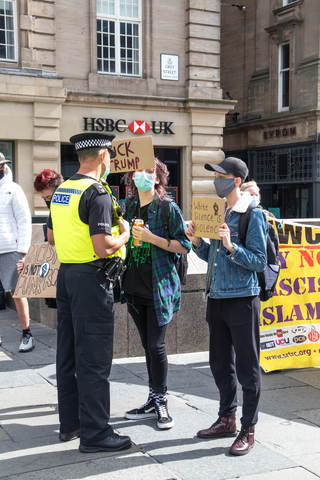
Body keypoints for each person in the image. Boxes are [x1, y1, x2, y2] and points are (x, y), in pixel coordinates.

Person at [48, 132, 131, 453]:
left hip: (67, 275)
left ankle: (70, 424)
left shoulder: (62, 190)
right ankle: (96, 433)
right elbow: (103, 245)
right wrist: (123, 235)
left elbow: (53, 239)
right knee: (94, 356)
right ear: (102, 156)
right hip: (92, 279)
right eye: (109, 154)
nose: (110, 159)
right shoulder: (97, 193)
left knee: (67, 352)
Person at [186, 157, 267, 456]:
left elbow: (258, 260)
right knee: (220, 363)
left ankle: (249, 428)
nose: (215, 179)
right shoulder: (219, 211)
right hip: (217, 296)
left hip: (242, 299)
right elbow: (214, 256)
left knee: (247, 366)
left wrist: (232, 246)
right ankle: (226, 418)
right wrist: (197, 243)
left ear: (235, 180)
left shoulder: (252, 214)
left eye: (220, 175)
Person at [121, 159, 191, 429]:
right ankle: (152, 399)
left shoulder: (167, 208)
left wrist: (152, 238)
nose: (144, 176)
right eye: (139, 170)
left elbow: (184, 246)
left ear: (159, 177)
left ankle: (161, 400)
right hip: (133, 287)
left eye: (150, 172)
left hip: (159, 288)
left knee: (156, 346)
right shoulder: (127, 206)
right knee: (147, 346)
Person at [0, 152, 34, 353]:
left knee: (17, 292)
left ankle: (27, 333)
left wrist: (23, 252)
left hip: (10, 249)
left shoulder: (13, 189)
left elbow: (24, 221)